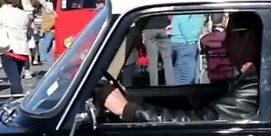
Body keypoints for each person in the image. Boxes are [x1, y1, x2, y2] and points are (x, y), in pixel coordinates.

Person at [101, 11, 261, 122]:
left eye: (229, 35)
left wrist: (127, 109)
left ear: (250, 39)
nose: (224, 42)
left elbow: (203, 123)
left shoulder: (253, 86)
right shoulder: (247, 80)